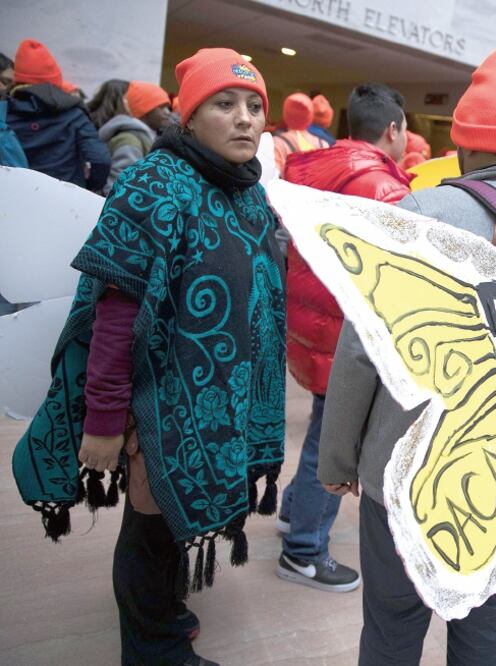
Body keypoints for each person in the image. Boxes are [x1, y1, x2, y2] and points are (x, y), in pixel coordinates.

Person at [11, 47, 286, 666]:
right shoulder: (153, 185)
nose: (244, 119)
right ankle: (151, 649)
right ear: (186, 118)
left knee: (168, 526)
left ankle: (163, 614)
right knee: (151, 528)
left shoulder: (248, 195)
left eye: (254, 106)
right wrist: (104, 422)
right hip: (157, 404)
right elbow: (114, 316)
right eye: (224, 103)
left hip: (217, 403)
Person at [316, 44, 496, 665]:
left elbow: (365, 347)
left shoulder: (421, 212)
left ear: (465, 141)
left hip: (406, 463)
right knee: (482, 624)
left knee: (392, 624)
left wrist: (340, 454)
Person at [273, 83, 413, 594]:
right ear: (393, 129)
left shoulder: (313, 165)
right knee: (331, 447)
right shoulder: (381, 186)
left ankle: (293, 515)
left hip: (309, 327)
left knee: (318, 429)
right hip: (343, 335)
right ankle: (303, 551)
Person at [7, 39, 110, 191]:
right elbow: (100, 159)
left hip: (13, 198)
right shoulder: (74, 114)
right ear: (55, 80)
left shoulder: (4, 112)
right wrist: (89, 188)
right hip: (66, 200)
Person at [89, 80, 169, 194]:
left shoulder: (146, 136)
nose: (167, 113)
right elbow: (118, 189)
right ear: (145, 110)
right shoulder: (129, 140)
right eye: (161, 107)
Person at [273, 92, 330, 176]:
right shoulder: (324, 145)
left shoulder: (276, 143)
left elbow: (272, 178)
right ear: (310, 116)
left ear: (286, 115)